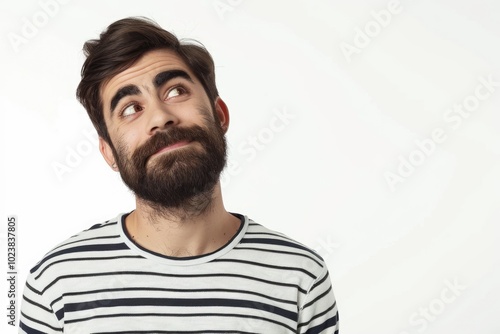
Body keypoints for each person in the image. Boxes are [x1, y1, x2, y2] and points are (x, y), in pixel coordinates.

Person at [19, 17, 339, 333]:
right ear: (109, 153)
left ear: (220, 115)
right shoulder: (55, 284)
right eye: (130, 108)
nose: (160, 117)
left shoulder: (301, 279)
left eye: (175, 91)